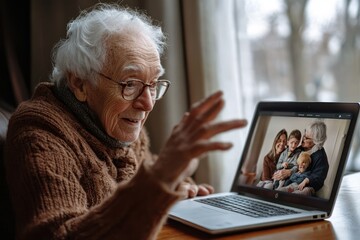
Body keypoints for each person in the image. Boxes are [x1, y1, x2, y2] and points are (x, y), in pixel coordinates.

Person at [4, 4, 247, 239]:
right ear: (79, 84)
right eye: (130, 84)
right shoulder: (40, 132)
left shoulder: (118, 124)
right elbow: (58, 235)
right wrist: (160, 180)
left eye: (153, 85)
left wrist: (177, 190)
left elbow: (146, 185)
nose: (148, 103)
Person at [272, 120, 329, 195]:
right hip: (288, 182)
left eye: (306, 138)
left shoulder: (321, 158)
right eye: (304, 134)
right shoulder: (300, 148)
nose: (303, 139)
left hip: (300, 187)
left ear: (316, 141)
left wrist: (291, 172)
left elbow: (318, 180)